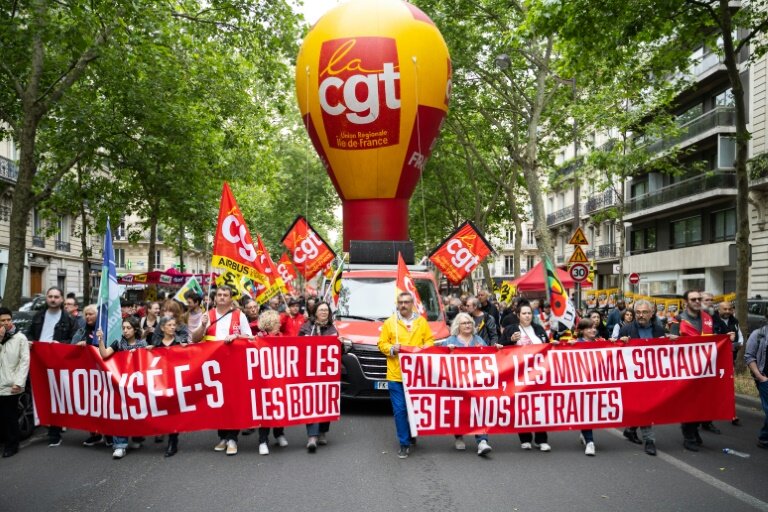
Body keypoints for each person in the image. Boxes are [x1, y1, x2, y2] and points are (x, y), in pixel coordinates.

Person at [191, 286, 252, 456]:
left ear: (231, 298)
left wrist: (237, 337)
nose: (222, 297)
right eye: (219, 295)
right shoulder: (207, 315)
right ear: (215, 297)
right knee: (218, 400)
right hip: (213, 366)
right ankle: (223, 436)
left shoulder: (239, 315)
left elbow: (250, 337)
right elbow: (195, 339)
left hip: (234, 365)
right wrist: (202, 326)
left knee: (233, 401)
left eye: (226, 295)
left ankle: (232, 438)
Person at [378, 292, 434, 459]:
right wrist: (391, 349)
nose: (403, 305)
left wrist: (422, 349)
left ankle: (411, 432)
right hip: (396, 375)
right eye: (400, 302)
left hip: (417, 375)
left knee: (415, 409)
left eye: (406, 302)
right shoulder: (390, 323)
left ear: (412, 304)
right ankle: (404, 443)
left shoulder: (421, 322)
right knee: (400, 410)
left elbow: (429, 341)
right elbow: (381, 343)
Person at [26, 286, 77, 447]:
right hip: (39, 361)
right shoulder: (38, 317)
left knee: (56, 396)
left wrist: (60, 345)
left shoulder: (68, 319)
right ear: (46, 298)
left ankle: (55, 432)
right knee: (43, 394)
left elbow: (74, 340)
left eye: (56, 297)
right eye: (50, 296)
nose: (53, 299)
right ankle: (47, 424)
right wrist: (29, 341)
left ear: (61, 299)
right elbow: (29, 334)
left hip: (58, 363)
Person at [617, 298, 665, 456]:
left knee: (648, 406)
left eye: (645, 312)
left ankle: (630, 429)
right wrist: (620, 343)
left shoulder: (659, 330)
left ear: (651, 313)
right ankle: (649, 440)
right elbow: (616, 353)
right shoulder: (626, 330)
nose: (641, 315)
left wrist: (672, 343)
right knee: (645, 406)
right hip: (634, 377)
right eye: (637, 312)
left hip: (653, 376)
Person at [500, 303, 552, 452]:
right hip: (519, 375)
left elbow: (548, 347)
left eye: (529, 313)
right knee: (522, 406)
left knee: (539, 406)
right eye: (524, 313)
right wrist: (510, 340)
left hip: (538, 375)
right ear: (518, 315)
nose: (527, 316)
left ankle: (541, 439)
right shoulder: (512, 329)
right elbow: (500, 347)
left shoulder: (539, 329)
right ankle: (525, 438)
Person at [440, 312, 493, 456]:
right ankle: (459, 435)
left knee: (479, 410)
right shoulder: (450, 341)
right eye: (464, 323)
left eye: (469, 322)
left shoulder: (479, 340)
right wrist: (447, 351)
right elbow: (441, 362)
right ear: (458, 325)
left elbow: (489, 358)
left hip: (476, 383)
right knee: (459, 410)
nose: (467, 325)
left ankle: (482, 441)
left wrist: (497, 350)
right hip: (457, 384)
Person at [96, 317, 148, 459]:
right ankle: (120, 445)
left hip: (136, 386)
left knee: (136, 412)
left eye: (128, 328)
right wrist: (100, 340)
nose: (125, 331)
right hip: (120, 385)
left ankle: (137, 436)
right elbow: (105, 354)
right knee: (120, 413)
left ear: (135, 329)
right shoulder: (118, 343)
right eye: (123, 328)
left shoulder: (143, 344)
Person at [669, 290, 714, 451]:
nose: (697, 301)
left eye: (699, 299)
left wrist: (728, 339)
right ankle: (689, 436)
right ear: (686, 302)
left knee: (701, 402)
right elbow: (670, 344)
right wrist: (673, 340)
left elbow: (716, 340)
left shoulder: (708, 319)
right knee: (689, 403)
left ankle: (693, 430)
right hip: (685, 369)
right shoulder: (678, 320)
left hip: (704, 369)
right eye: (693, 299)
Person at [298, 301, 337, 452]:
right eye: (321, 310)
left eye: (326, 310)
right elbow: (296, 346)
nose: (324, 312)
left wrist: (340, 344)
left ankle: (322, 431)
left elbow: (338, 351)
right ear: (315, 312)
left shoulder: (333, 329)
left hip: (327, 373)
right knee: (311, 402)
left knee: (326, 402)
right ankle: (312, 436)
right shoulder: (307, 327)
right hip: (309, 372)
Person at [148, 316, 187, 456]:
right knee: (161, 409)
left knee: (173, 411)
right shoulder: (156, 343)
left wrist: (185, 349)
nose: (172, 327)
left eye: (174, 325)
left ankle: (173, 441)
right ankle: (162, 431)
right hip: (160, 381)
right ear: (163, 328)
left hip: (175, 381)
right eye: (169, 325)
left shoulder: (179, 342)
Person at [255, 309, 288, 455]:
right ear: (268, 325)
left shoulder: (282, 337)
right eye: (276, 323)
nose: (279, 325)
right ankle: (263, 440)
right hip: (264, 381)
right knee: (266, 410)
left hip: (279, 379)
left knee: (280, 407)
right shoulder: (257, 339)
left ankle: (279, 433)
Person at [0, 307, 30, 458]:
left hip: (11, 384)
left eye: (8, 320)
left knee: (10, 416)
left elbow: (24, 362)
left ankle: (12, 444)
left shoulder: (20, 338)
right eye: (2, 320)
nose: (6, 323)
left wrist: (18, 382)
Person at [713, 300, 744, 425]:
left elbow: (740, 338)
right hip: (714, 362)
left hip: (729, 360)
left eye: (729, 309)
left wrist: (737, 344)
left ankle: (732, 414)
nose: (727, 312)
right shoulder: (711, 321)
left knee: (729, 387)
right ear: (718, 309)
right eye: (724, 309)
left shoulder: (734, 321)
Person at [574, 318, 601, 456]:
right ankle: (590, 441)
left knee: (594, 411)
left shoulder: (600, 343)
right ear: (582, 331)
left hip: (597, 382)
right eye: (589, 328)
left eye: (594, 327)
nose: (593, 330)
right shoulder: (576, 344)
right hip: (582, 384)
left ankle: (585, 434)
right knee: (586, 411)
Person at [744, 317, 768, 450]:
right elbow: (749, 356)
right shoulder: (758, 334)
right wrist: (760, 376)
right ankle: (764, 438)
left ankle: (765, 437)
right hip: (765, 379)